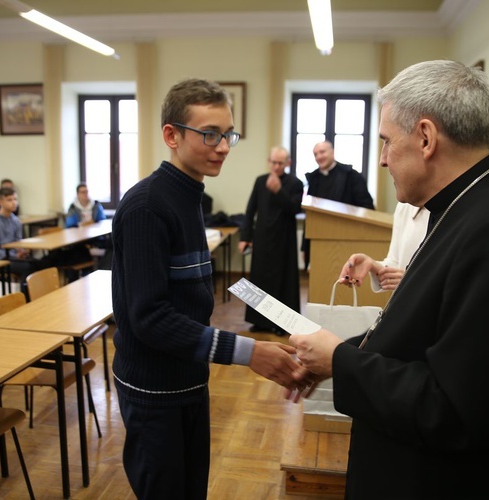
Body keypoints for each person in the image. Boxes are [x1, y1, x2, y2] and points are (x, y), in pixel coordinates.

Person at [289, 60, 489, 498]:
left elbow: (458, 408)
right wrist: (341, 352)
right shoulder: (469, 207)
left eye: (385, 142)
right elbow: (426, 329)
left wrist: (341, 362)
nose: (381, 159)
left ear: (425, 137)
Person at [111, 78, 309, 499]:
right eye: (211, 134)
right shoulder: (147, 206)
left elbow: (195, 287)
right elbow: (149, 318)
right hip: (154, 390)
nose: (223, 146)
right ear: (172, 135)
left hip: (188, 380)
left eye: (228, 134)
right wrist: (249, 352)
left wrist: (289, 322)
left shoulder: (191, 196)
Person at [238, 146, 303, 335]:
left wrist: (279, 191)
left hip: (284, 241)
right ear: (269, 161)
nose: (276, 166)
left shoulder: (295, 183)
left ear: (287, 163)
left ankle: (282, 324)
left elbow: (295, 209)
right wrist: (245, 237)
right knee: (259, 281)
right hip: (262, 239)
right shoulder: (260, 181)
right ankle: (260, 321)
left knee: (283, 282)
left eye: (280, 163)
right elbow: (250, 211)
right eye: (273, 162)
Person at [302, 141, 375, 268]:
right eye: (315, 154)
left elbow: (366, 207)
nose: (319, 156)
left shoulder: (351, 175)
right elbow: (310, 215)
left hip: (347, 239)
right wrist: (305, 246)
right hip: (319, 239)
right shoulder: (314, 179)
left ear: (332, 152)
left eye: (322, 152)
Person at [344, 202, 428, 292]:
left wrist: (414, 282)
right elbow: (396, 263)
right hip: (405, 302)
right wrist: (373, 265)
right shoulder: (405, 205)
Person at [0, 186, 45, 284]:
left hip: (14, 257)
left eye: (15, 199)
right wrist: (15, 255)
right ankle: (25, 297)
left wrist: (22, 251)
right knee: (27, 268)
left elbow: (18, 242)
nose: (14, 202)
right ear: (0, 202)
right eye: (9, 200)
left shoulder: (15, 220)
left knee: (42, 264)